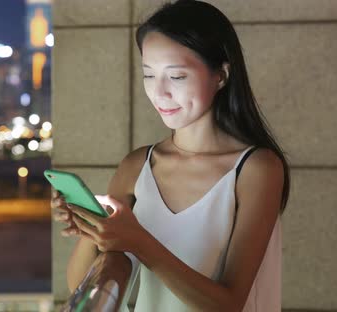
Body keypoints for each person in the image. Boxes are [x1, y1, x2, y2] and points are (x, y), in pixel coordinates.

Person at [51, 0, 290, 311]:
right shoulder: (137, 166)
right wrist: (93, 226)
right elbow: (79, 285)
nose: (159, 92)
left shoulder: (257, 169)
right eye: (149, 75)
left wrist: (137, 240)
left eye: (177, 77)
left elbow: (228, 304)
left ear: (221, 75)